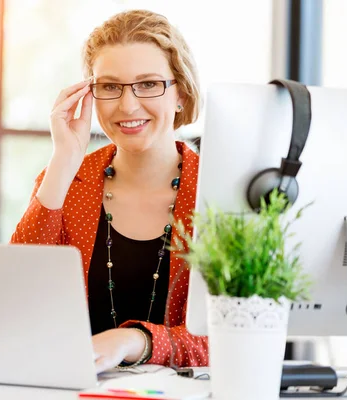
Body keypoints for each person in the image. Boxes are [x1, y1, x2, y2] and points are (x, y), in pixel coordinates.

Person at [11, 9, 208, 373]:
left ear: (179, 92)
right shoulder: (67, 180)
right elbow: (17, 294)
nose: (127, 105)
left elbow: (237, 337)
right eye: (110, 86)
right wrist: (64, 159)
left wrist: (136, 341)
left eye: (148, 84)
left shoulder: (216, 192)